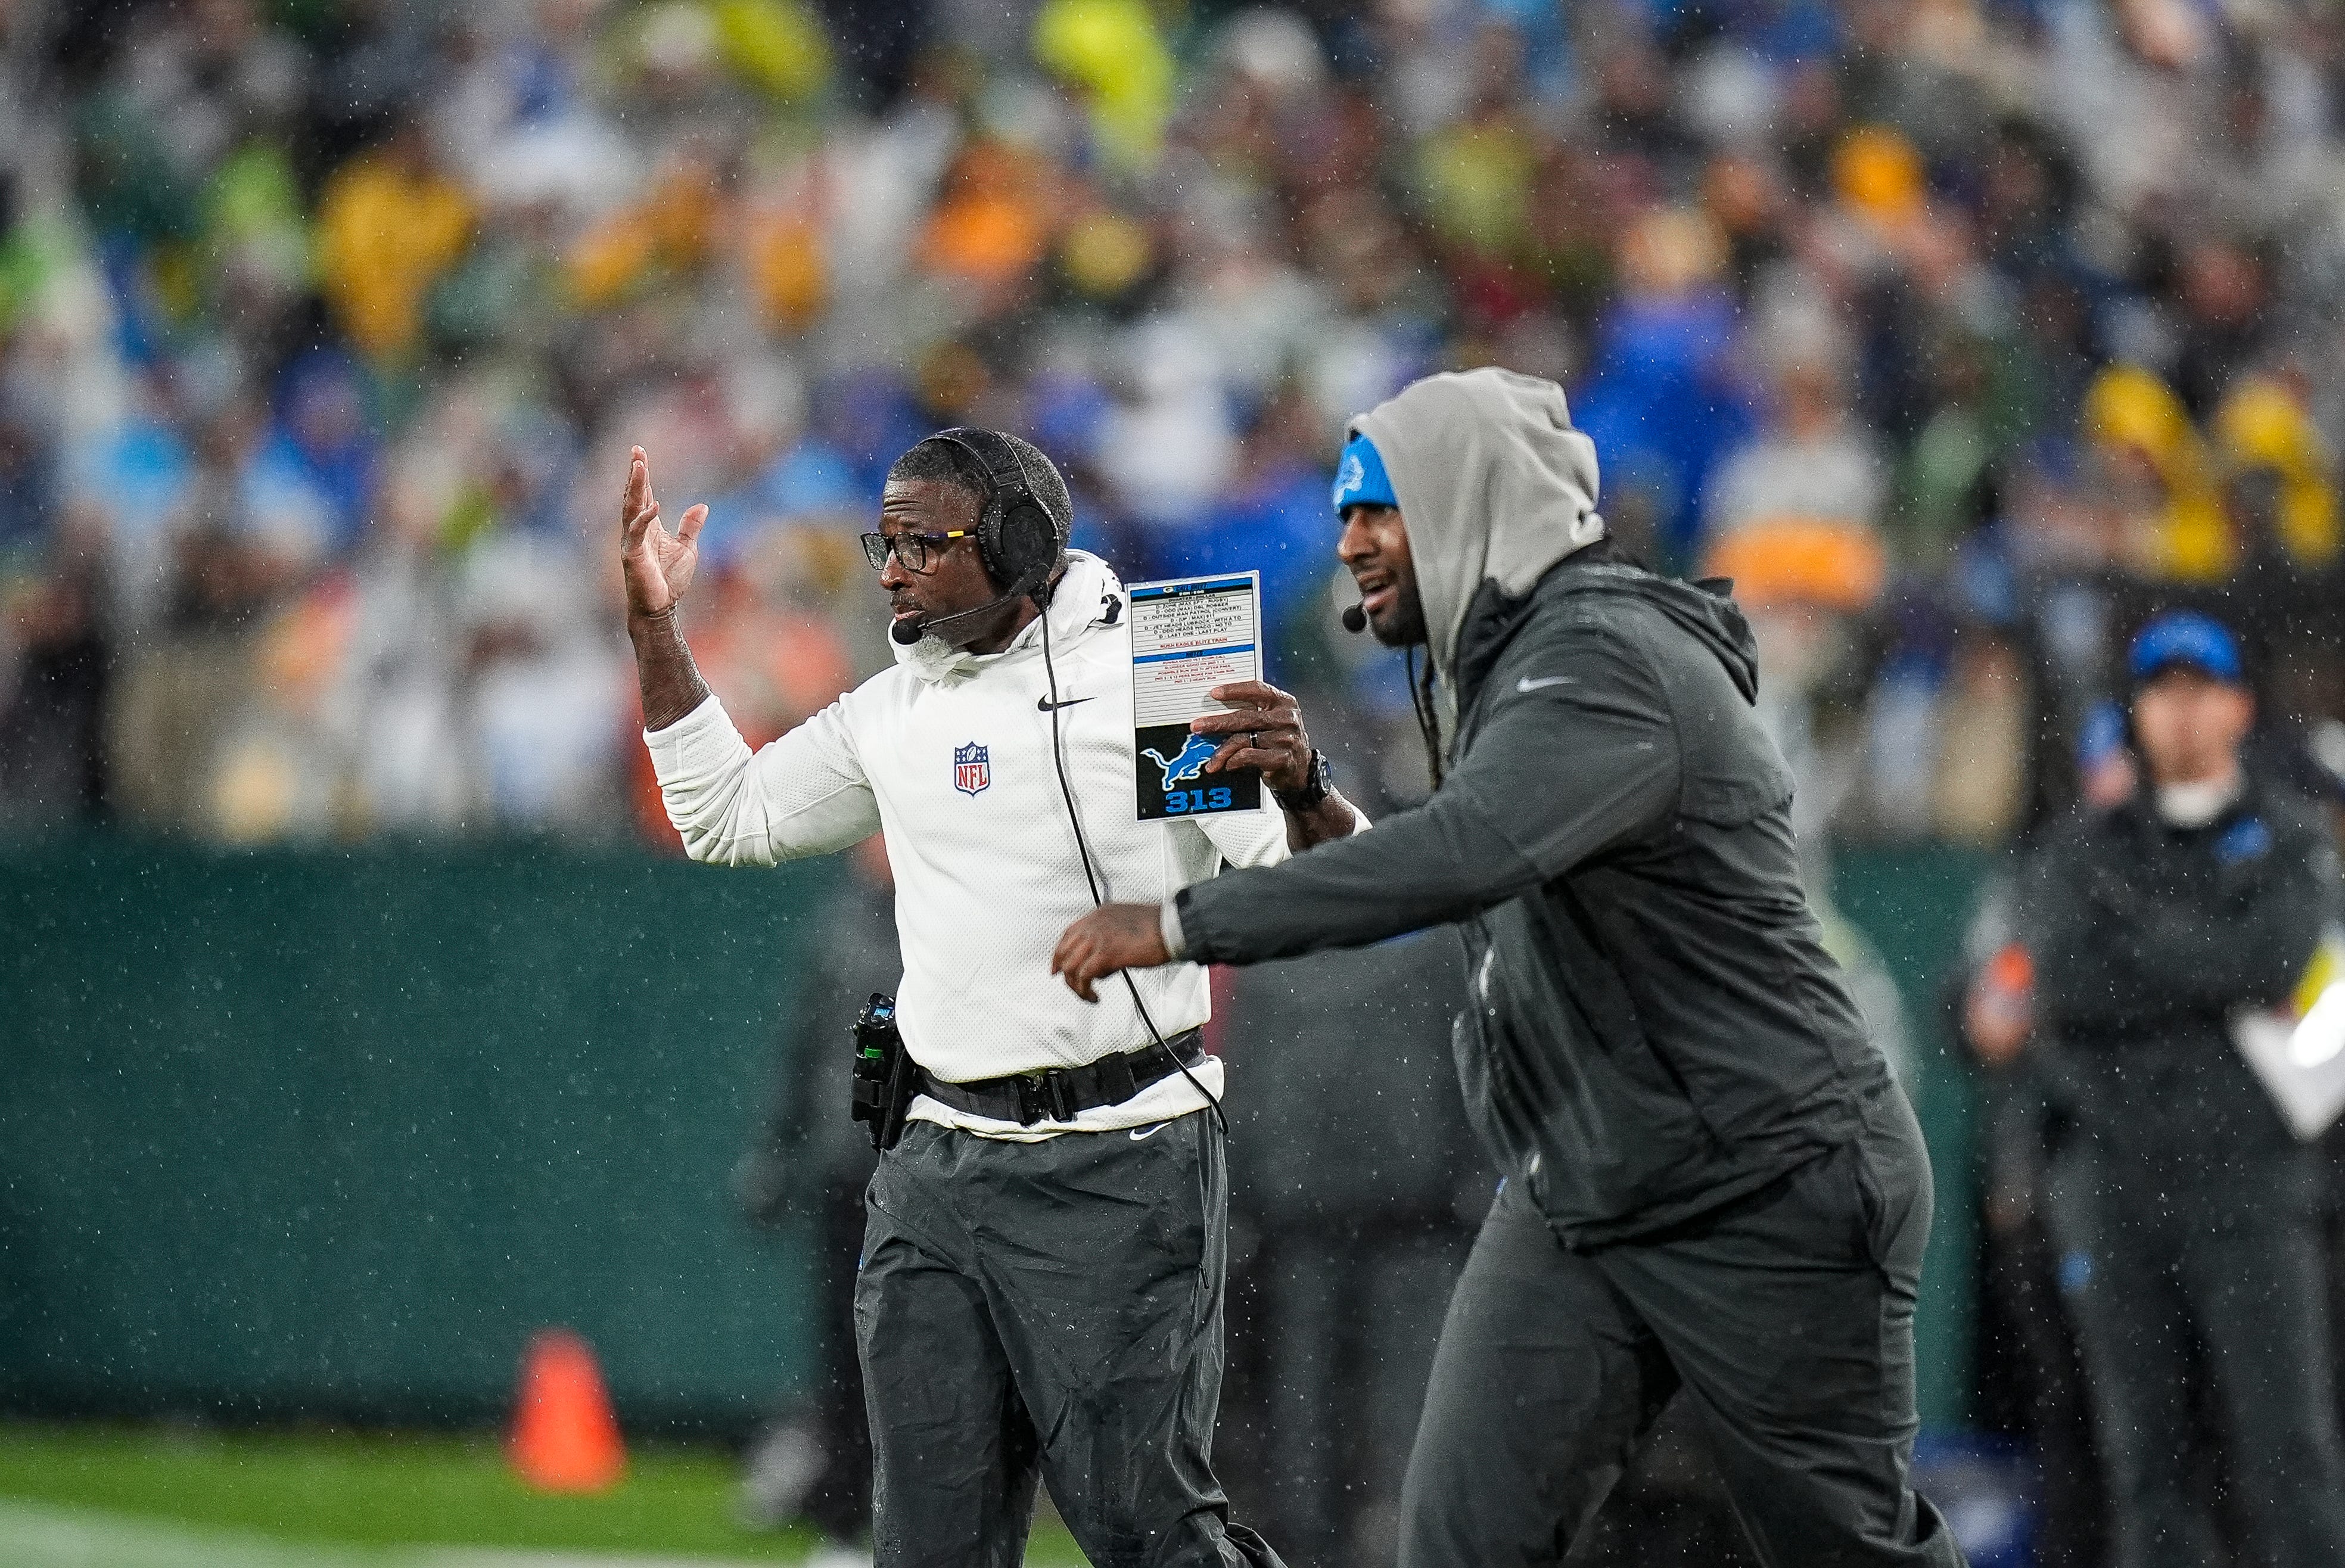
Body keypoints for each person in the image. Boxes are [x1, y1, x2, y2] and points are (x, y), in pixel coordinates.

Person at [1053, 367, 1967, 1568]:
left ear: (1469, 501)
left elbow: (1465, 855)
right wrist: (1315, 798)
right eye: (1343, 515)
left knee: (1842, 1548)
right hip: (1591, 1173)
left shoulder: (1602, 652)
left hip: (1765, 1173)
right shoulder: (1516, 656)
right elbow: (1480, 886)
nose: (1353, 544)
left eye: (1381, 511)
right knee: (1464, 1538)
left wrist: (1177, 920)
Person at [619, 427, 1365, 1568]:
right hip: (935, 1167)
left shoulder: (1157, 673)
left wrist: (1308, 788)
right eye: (886, 539)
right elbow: (726, 817)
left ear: (1017, 547)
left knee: (1147, 1532)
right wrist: (655, 627)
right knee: (927, 1544)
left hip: (1123, 1159)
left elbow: (1317, 890)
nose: (890, 569)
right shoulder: (895, 707)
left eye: (924, 542)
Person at [2005, 610, 2345, 1568]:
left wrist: (2148, 958)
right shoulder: (2085, 846)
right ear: (2139, 709)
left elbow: (2280, 958)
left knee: (2290, 1451)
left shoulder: (2287, 836)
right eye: (2163, 692)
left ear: (2239, 706)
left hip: (2252, 1186)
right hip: (2117, 1183)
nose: (2183, 713)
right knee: (2143, 1458)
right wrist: (2212, 965)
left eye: (2203, 690)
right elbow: (2065, 980)